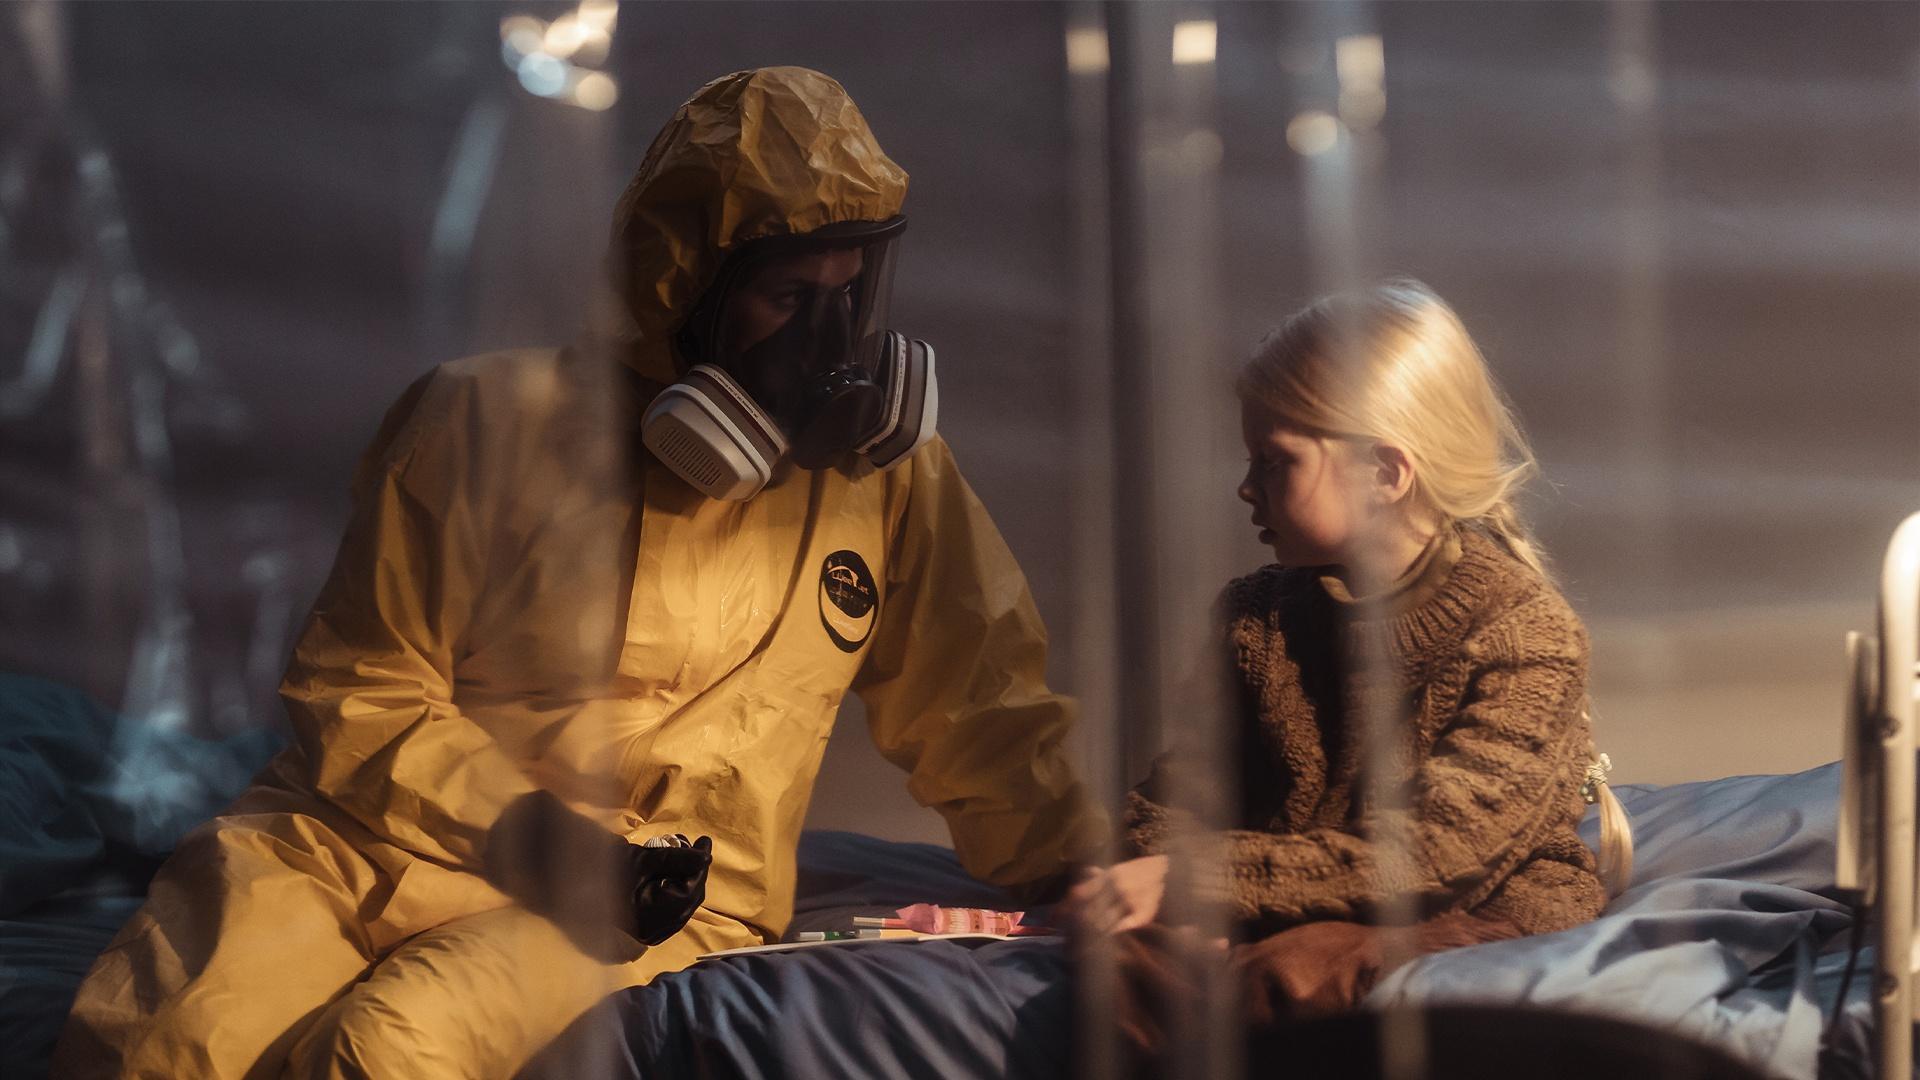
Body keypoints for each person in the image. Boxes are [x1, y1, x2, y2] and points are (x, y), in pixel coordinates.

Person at [55, 66, 1103, 1079]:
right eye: (791, 295)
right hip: (355, 842)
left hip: (640, 901)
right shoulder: (481, 422)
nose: (831, 339)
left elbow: (981, 703)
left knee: (383, 1051)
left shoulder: (890, 483)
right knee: (162, 1047)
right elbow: (359, 688)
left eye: (850, 293)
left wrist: (1083, 870)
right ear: (688, 289)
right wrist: (538, 834)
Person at [1060, 279, 1629, 1046]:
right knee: (1116, 953)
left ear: (1385, 474)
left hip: (1467, 905)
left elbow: (1441, 850)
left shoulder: (1527, 631)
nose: (1245, 488)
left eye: (1274, 462)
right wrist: (1143, 871)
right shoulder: (1254, 617)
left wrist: (1196, 879)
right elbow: (1177, 798)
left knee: (1296, 972)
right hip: (1288, 890)